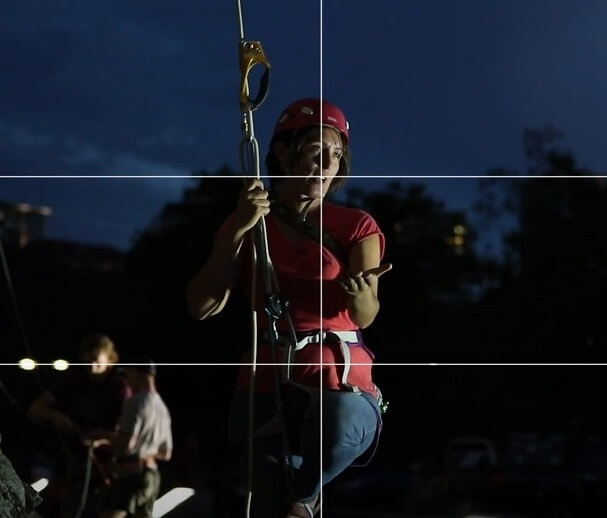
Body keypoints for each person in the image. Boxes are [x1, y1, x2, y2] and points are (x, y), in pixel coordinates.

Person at [185, 98, 391, 518]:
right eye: (316, 148)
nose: (326, 162)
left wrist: (360, 291)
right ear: (282, 151)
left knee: (326, 441)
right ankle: (296, 500)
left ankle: (304, 499)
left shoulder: (355, 226)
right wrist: (237, 229)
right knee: (263, 496)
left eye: (336, 154)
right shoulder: (251, 220)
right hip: (266, 377)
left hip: (335, 378)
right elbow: (201, 306)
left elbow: (366, 314)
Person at [28, 333, 131, 518]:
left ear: (109, 359)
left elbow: (130, 431)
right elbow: (36, 408)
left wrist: (104, 437)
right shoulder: (73, 381)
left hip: (110, 467)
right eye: (88, 361)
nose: (92, 367)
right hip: (75, 466)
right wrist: (55, 415)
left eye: (97, 361)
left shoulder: (120, 387)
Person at [86, 356, 172, 518]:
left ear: (139, 374)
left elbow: (127, 442)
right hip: (152, 476)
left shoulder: (135, 402)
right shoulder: (162, 408)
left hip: (130, 475)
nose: (126, 379)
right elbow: (165, 453)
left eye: (128, 374)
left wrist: (101, 435)